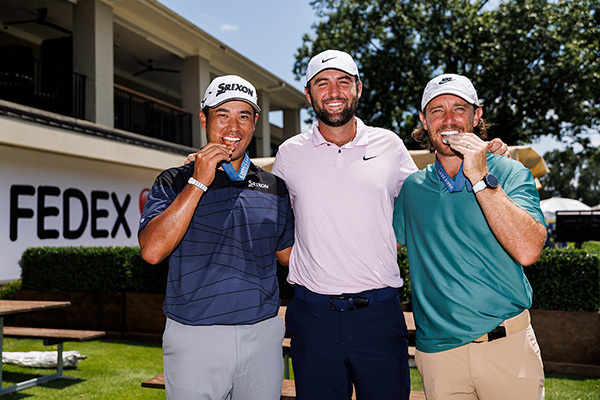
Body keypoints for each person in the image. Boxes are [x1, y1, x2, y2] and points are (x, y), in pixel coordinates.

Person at [271, 50, 509, 400]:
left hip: (379, 315)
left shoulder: (389, 145)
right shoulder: (289, 153)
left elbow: (430, 199)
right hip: (313, 316)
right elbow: (273, 219)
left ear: (359, 89)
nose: (333, 91)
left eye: (343, 82)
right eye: (322, 83)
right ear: (308, 94)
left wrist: (485, 160)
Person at [138, 75, 295, 400]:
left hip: (262, 333)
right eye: (222, 114)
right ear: (204, 118)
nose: (233, 127)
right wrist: (198, 182)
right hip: (194, 335)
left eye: (244, 116)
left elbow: (288, 257)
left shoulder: (276, 187)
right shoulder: (173, 180)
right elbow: (152, 251)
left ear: (255, 123)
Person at [393, 73, 546, 399]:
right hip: (438, 354)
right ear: (424, 120)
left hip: (507, 346)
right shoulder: (412, 188)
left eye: (459, 109)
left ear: (477, 116)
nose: (448, 119)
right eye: (437, 111)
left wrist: (479, 175)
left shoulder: (510, 172)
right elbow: (385, 244)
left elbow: (529, 249)